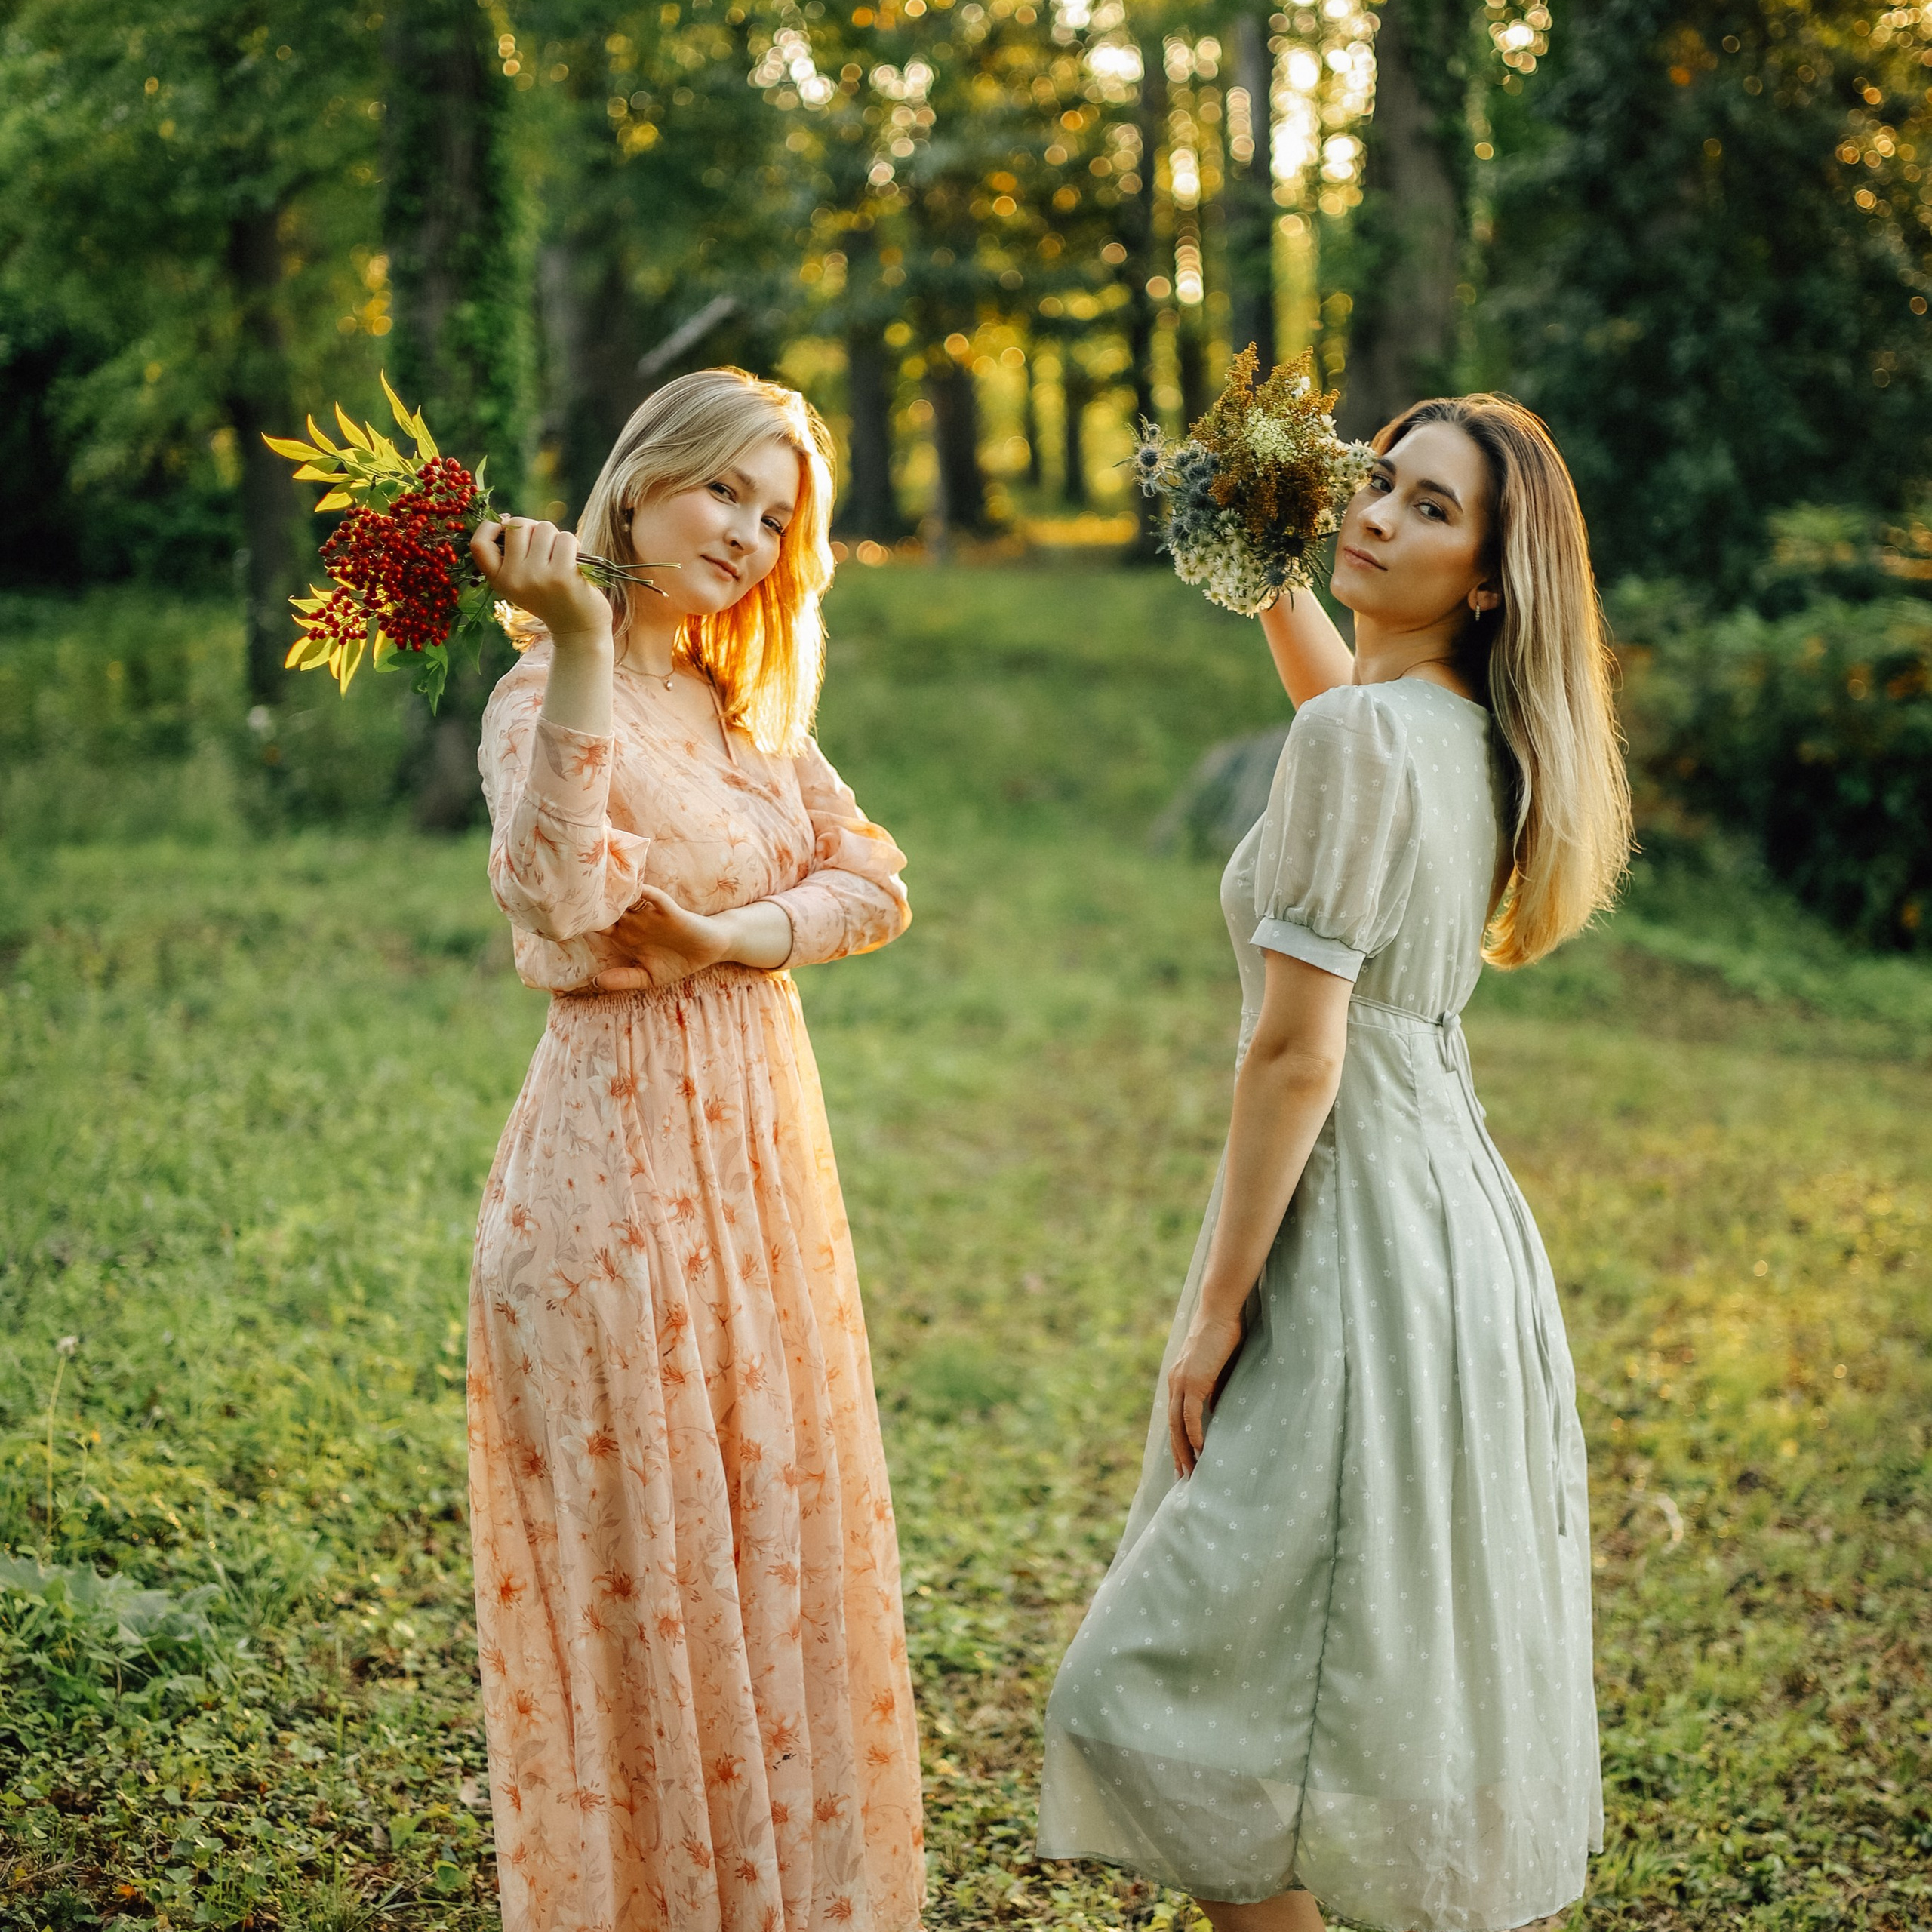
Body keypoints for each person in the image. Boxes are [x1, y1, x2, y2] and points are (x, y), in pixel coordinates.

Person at [1037, 395, 1632, 1932]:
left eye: (1429, 509)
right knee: (1344, 1652)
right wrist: (1267, 579)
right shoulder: (1471, 736)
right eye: (1375, 480)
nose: (1373, 513)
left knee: (1142, 1684)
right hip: (1453, 1221)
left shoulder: (1354, 740)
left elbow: (1293, 1051)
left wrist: (1214, 1304)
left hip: (1353, 1224)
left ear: (1489, 578)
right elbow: (1340, 731)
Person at [463, 368, 923, 1932]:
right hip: (614, 1193)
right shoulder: (543, 691)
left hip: (759, 1177)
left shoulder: (744, 710)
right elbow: (553, 896)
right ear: (642, 481)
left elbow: (874, 881)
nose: (747, 533)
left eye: (778, 515)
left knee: (766, 1561)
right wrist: (584, 639)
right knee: (656, 1600)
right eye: (725, 490)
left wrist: (734, 929)